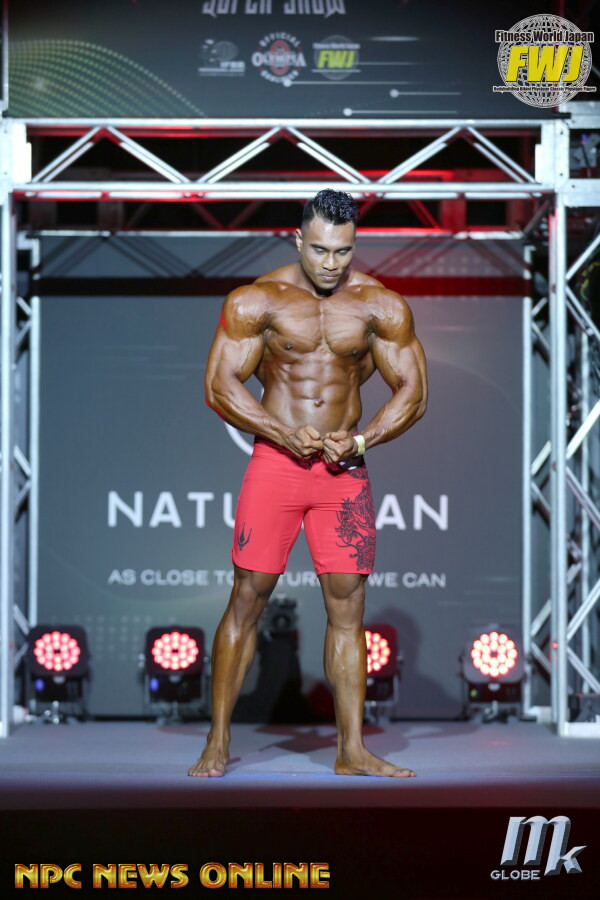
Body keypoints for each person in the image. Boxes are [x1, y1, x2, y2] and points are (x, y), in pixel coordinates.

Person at [188, 189, 427, 778]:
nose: (330, 263)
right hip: (277, 463)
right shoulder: (258, 300)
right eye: (319, 250)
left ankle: (351, 749)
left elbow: (414, 393)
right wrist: (279, 431)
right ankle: (217, 740)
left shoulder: (380, 306)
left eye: (342, 252)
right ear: (298, 240)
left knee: (348, 607)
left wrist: (362, 441)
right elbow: (220, 384)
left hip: (343, 472)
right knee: (248, 597)